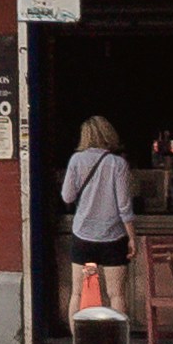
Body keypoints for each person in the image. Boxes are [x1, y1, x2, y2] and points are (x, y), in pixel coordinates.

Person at [60, 114, 133, 319]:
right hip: (113, 238)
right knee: (116, 294)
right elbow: (124, 205)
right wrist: (132, 237)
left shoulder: (76, 160)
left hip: (83, 236)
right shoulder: (118, 164)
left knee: (78, 292)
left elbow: (67, 196)